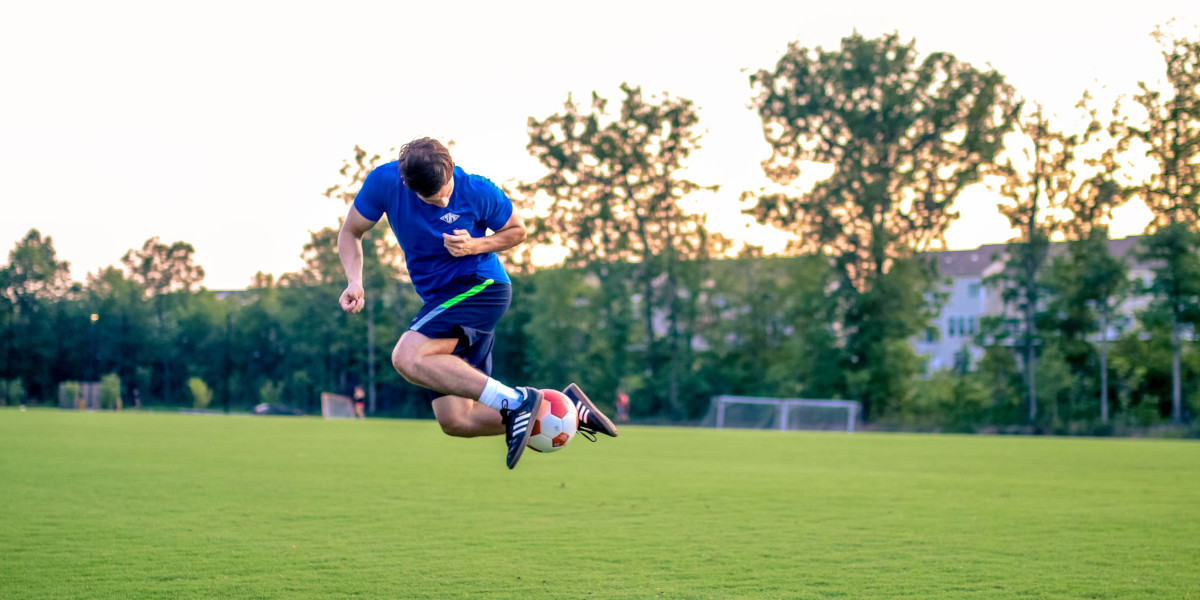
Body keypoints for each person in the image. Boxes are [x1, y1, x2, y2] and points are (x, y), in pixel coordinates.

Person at [337, 138, 617, 469]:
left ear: (451, 167)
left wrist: (477, 245)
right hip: (442, 300)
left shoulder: (477, 190)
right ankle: (568, 411)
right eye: (431, 198)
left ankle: (518, 401)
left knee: (406, 357)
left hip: (481, 287)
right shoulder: (383, 182)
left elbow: (516, 231)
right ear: (404, 183)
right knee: (457, 421)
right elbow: (351, 232)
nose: (442, 201)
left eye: (445, 190)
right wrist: (355, 280)